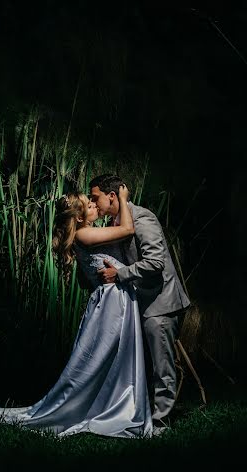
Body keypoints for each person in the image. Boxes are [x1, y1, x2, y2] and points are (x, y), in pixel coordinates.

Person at [0, 185, 153, 439]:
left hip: (118, 297)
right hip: (111, 304)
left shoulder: (91, 231)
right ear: (79, 218)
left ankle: (113, 403)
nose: (93, 205)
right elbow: (127, 230)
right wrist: (122, 198)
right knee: (103, 358)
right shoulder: (84, 235)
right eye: (89, 205)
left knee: (116, 358)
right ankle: (103, 407)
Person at [89, 174, 190, 435]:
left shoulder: (143, 218)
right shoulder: (116, 223)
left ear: (112, 196)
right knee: (143, 365)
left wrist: (118, 275)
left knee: (161, 366)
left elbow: (155, 263)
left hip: (161, 303)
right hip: (139, 304)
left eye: (95, 196)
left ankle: (161, 422)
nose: (93, 202)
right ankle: (140, 414)